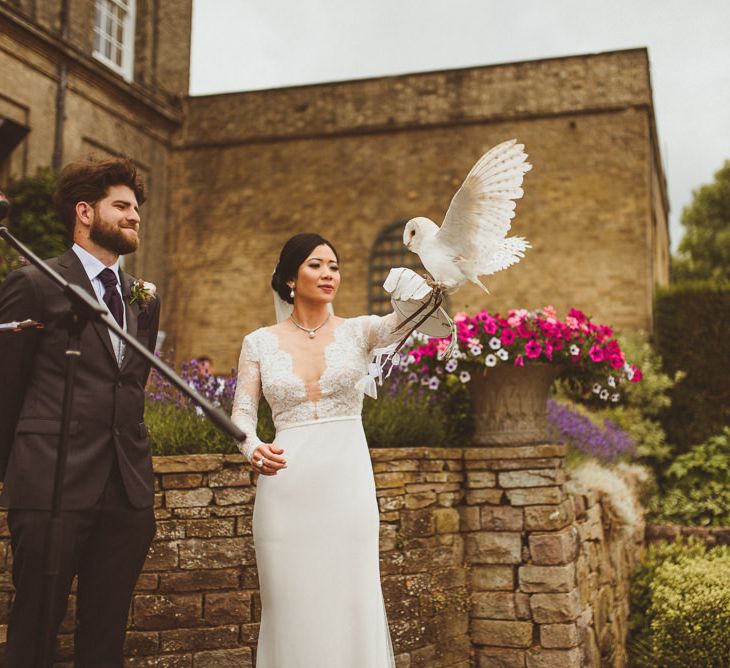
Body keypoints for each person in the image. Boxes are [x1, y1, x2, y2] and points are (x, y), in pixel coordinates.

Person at [231, 233, 444, 667]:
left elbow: (417, 316)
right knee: (289, 604)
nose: (329, 273)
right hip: (285, 489)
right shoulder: (258, 342)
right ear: (290, 278)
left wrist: (440, 274)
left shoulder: (362, 331)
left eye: (334, 265)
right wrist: (251, 449)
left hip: (347, 489)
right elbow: (242, 416)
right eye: (316, 264)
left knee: (351, 599)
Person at [0, 158, 160, 665]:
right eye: (122, 206)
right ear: (85, 211)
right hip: (51, 485)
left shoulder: (144, 298)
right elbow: (5, 388)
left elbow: (129, 381)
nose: (134, 216)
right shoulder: (36, 282)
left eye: (136, 208)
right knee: (33, 632)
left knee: (106, 635)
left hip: (125, 490)